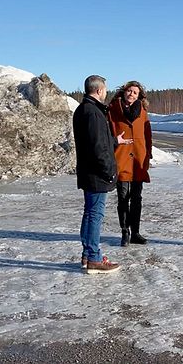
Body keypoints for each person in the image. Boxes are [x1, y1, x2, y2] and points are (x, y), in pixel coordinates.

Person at [73, 74, 130, 274]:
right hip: (96, 174)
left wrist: (116, 141)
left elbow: (97, 141)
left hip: (90, 172)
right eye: (105, 89)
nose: (106, 93)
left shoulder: (84, 110)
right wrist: (109, 172)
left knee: (90, 214)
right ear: (98, 90)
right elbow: (98, 148)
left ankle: (88, 255)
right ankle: (94, 259)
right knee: (94, 215)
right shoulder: (93, 112)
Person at [107, 81, 152, 246]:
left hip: (139, 160)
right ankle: (125, 232)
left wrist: (148, 155)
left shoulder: (143, 111)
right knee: (123, 198)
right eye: (129, 91)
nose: (131, 94)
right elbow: (108, 134)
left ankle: (136, 232)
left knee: (137, 198)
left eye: (135, 92)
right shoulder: (112, 110)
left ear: (139, 96)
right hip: (121, 159)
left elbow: (148, 135)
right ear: (123, 92)